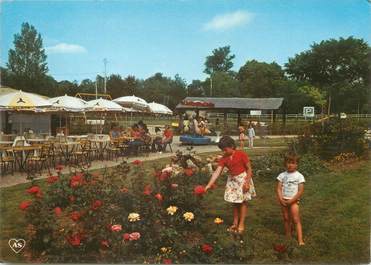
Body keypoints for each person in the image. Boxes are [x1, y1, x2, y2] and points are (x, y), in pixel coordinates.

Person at [205, 136, 256, 234]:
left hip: (243, 180)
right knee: (235, 202)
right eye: (222, 150)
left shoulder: (241, 154)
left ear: (232, 146)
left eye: (225, 149)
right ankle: (235, 222)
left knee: (243, 202)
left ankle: (241, 223)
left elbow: (249, 168)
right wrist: (209, 184)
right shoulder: (224, 158)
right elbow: (217, 172)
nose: (223, 152)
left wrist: (247, 181)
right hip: (233, 181)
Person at [276, 153, 305, 246]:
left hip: (294, 201)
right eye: (288, 162)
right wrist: (281, 199)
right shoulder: (282, 175)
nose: (290, 165)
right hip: (284, 200)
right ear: (285, 163)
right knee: (286, 218)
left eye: (293, 163)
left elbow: (300, 191)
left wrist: (292, 200)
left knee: (296, 219)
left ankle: (300, 240)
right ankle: (288, 235)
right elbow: (279, 188)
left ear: (297, 164)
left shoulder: (299, 176)